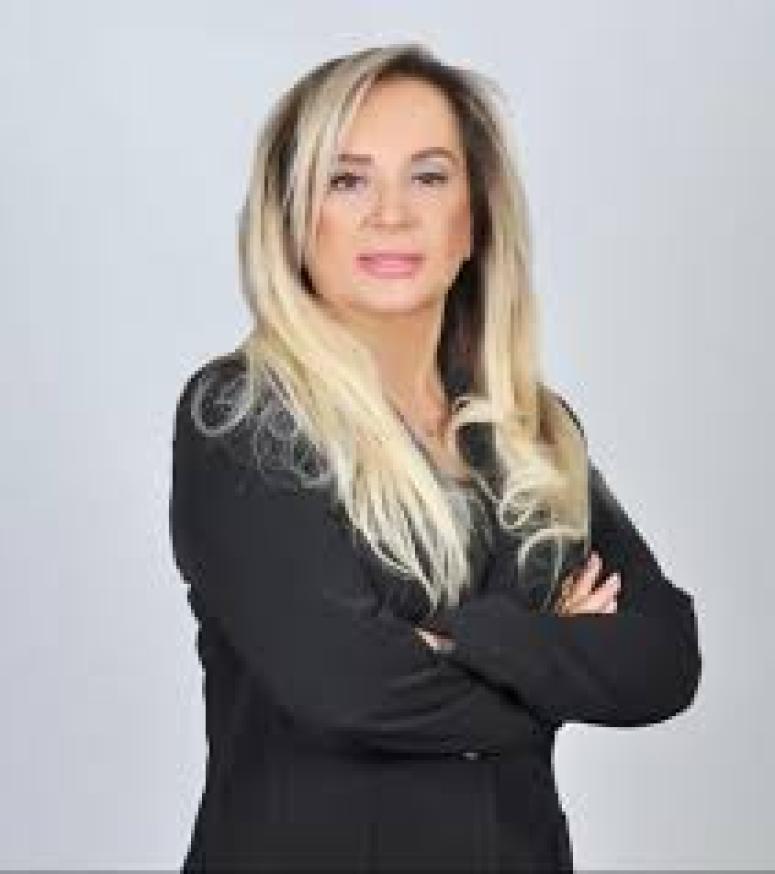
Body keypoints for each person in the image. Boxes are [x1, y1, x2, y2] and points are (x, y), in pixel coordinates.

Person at [169, 42, 702, 872]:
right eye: (346, 181)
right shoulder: (240, 416)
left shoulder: (530, 429)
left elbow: (662, 659)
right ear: (292, 218)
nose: (391, 214)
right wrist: (554, 658)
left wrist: (457, 640)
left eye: (427, 176)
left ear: (475, 217)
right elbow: (349, 689)